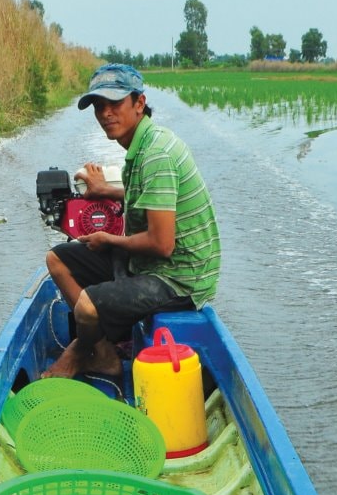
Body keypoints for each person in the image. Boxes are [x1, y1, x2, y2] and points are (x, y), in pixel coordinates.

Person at [44, 63, 220, 380]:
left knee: (86, 306)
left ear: (139, 103)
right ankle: (104, 352)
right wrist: (107, 191)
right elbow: (153, 197)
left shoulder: (156, 154)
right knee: (57, 260)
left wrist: (108, 239)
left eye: (115, 103)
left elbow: (162, 244)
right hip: (151, 262)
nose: (106, 113)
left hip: (179, 277)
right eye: (99, 106)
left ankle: (81, 351)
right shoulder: (141, 145)